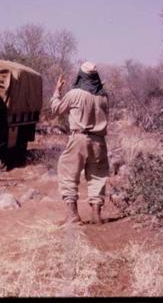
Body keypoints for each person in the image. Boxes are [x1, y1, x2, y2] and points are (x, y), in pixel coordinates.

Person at [50, 61, 109, 225]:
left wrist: (57, 91)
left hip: (79, 138)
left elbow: (56, 109)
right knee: (98, 175)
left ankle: (73, 214)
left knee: (68, 173)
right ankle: (96, 215)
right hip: (99, 141)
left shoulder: (75, 94)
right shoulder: (104, 96)